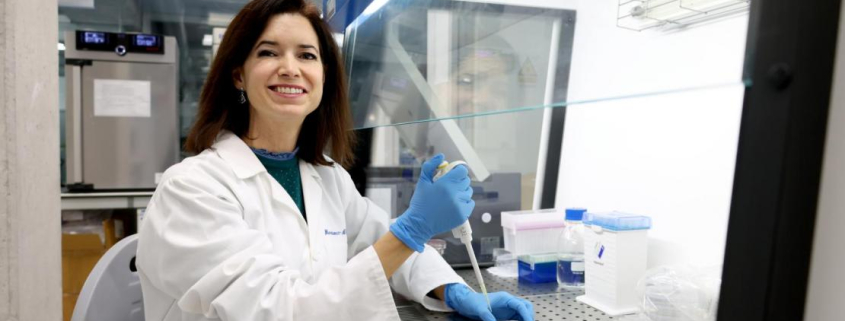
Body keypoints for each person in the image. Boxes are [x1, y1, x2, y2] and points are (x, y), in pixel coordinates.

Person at [135, 0, 534, 320]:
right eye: (269, 52)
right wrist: (412, 229)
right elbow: (277, 309)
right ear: (239, 75)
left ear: (324, 76)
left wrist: (454, 290)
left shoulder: (326, 177)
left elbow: (384, 247)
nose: (290, 68)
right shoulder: (191, 190)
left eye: (307, 55)